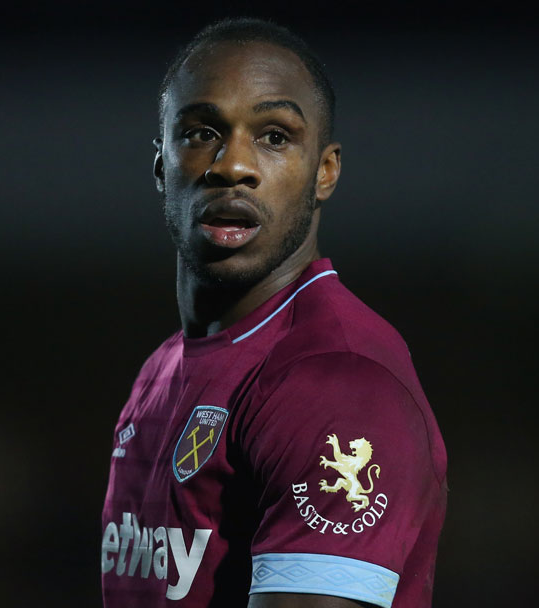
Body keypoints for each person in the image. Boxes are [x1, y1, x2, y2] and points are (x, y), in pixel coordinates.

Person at [101, 18, 447, 608]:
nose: (233, 165)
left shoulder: (338, 380)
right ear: (161, 164)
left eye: (275, 136)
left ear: (326, 172)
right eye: (201, 132)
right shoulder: (160, 374)